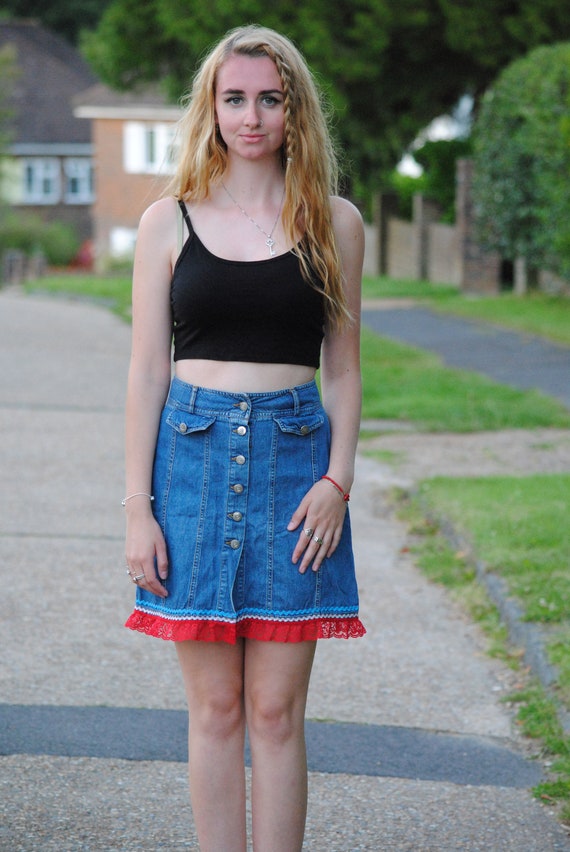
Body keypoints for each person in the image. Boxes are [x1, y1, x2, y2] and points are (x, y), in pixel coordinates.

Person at [123, 23, 365, 851]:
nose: (251, 116)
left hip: (296, 471)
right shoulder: (166, 222)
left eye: (270, 99)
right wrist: (137, 508)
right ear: (212, 108)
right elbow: (146, 373)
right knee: (217, 708)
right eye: (235, 99)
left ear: (296, 111)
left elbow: (344, 371)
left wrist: (337, 482)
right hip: (189, 466)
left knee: (275, 710)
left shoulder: (335, 223)